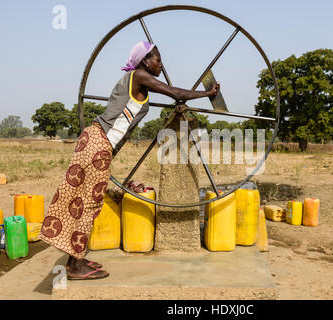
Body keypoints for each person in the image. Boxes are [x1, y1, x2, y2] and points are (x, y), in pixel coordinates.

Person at [39, 41, 220, 280]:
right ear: (145, 61)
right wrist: (207, 94)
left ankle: (75, 259)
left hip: (93, 140)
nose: (161, 63)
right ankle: (75, 266)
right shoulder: (140, 76)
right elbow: (175, 93)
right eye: (157, 59)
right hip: (98, 144)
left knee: (81, 199)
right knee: (89, 203)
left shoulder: (134, 79)